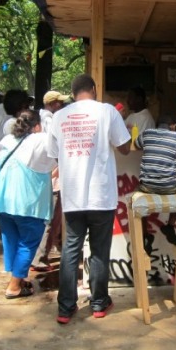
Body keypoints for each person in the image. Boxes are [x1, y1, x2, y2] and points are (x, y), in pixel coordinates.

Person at [48, 74, 131, 324]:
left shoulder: (59, 116)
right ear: (94, 89)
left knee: (70, 250)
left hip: (72, 194)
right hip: (101, 195)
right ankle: (98, 303)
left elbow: (54, 153)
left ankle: (65, 307)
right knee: (99, 250)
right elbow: (125, 147)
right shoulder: (107, 111)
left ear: (72, 94)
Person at [0, 109, 56, 299]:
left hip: (3, 201)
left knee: (11, 240)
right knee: (28, 242)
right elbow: (57, 153)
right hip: (27, 202)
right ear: (36, 126)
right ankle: (14, 286)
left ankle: (16, 277)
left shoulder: (6, 140)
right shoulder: (39, 139)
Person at [134, 114, 176, 248]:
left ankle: (145, 234)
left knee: (142, 198)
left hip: (146, 187)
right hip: (169, 187)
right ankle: (170, 225)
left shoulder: (146, 133)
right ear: (173, 126)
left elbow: (136, 144)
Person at [33, 89, 70, 271]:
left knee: (53, 218)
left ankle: (46, 252)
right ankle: (39, 258)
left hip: (51, 173)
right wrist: (56, 171)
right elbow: (54, 150)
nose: (61, 105)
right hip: (54, 173)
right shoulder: (50, 120)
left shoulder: (44, 118)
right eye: (59, 103)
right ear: (52, 103)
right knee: (52, 217)